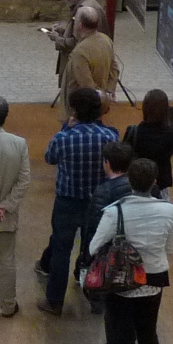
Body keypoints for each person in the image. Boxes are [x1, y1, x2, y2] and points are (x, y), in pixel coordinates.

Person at [88, 157, 173, 344]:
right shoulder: (167, 210)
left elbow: (95, 247)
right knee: (148, 333)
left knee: (123, 337)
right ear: (154, 182)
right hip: (154, 278)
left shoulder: (115, 212)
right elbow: (170, 247)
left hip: (121, 282)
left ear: (129, 182)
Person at [36, 87, 120, 316]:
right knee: (94, 248)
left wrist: (66, 127)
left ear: (75, 110)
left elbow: (49, 157)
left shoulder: (64, 138)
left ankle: (54, 301)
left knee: (61, 250)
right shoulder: (111, 137)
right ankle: (94, 296)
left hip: (67, 202)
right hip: (99, 203)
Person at [85, 138, 135, 344]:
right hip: (138, 258)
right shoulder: (139, 187)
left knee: (113, 310)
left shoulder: (103, 192)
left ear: (107, 163)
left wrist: (88, 257)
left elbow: (95, 231)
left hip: (112, 261)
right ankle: (132, 338)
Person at [123, 88, 173, 196]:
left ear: (145, 108)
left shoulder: (134, 131)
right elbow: (170, 153)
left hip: (136, 182)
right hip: (161, 182)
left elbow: (125, 155)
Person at [44, 0, 102, 86]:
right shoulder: (87, 4)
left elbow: (77, 42)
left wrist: (57, 38)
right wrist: (63, 30)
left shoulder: (85, 9)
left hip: (79, 64)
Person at [61, 4, 119, 107]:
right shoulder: (106, 40)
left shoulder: (80, 51)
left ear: (80, 25)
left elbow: (86, 84)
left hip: (82, 107)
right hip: (99, 102)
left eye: (75, 20)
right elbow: (114, 69)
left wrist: (99, 98)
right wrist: (109, 91)